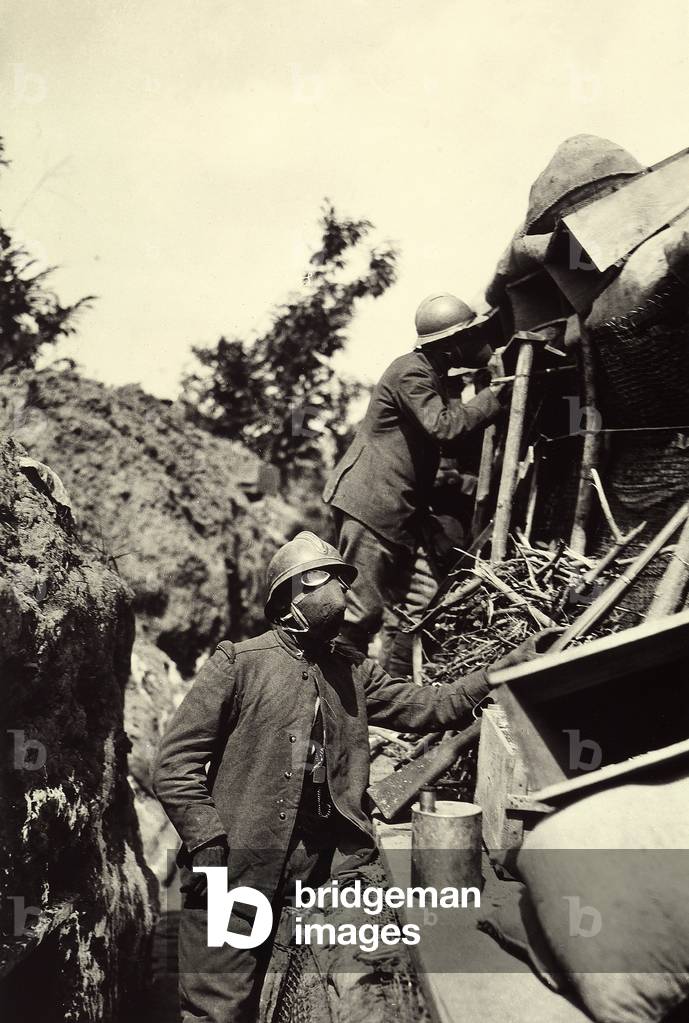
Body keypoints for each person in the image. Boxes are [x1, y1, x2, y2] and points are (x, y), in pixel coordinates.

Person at [153, 530, 540, 1023]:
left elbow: (433, 706)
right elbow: (174, 764)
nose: (333, 591)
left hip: (316, 873)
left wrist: (497, 673)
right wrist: (208, 843)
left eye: (339, 579)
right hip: (235, 870)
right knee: (216, 1009)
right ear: (285, 598)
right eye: (317, 580)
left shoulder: (353, 672)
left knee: (290, 997)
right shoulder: (238, 664)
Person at [322, 292, 504, 663]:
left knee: (419, 606)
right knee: (361, 614)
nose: (479, 342)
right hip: (371, 505)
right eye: (470, 336)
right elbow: (445, 427)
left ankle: (392, 696)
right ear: (451, 348)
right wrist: (497, 393)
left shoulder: (430, 375)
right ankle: (333, 704)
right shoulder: (412, 371)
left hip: (396, 513)